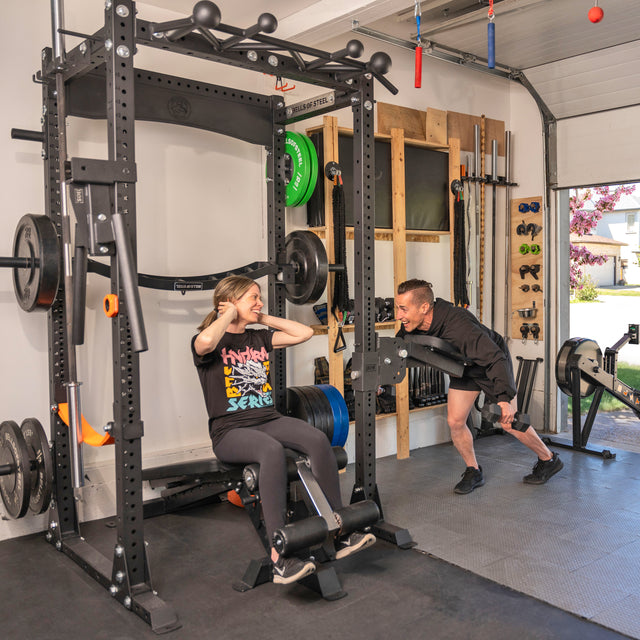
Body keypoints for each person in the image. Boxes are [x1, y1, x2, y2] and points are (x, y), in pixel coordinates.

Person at [192, 275, 375, 584]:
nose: (259, 301)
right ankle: (280, 558)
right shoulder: (209, 340)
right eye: (253, 297)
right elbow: (205, 342)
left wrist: (259, 317)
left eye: (258, 297)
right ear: (231, 301)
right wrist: (227, 315)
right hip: (229, 431)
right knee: (271, 450)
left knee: (317, 440)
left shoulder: (258, 337)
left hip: (268, 419)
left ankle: (341, 531)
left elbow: (303, 333)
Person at [395, 279, 563, 495]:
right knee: (455, 421)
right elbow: (400, 348)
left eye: (403, 309)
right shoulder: (412, 325)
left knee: (509, 422)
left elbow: (494, 358)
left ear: (424, 307)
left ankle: (548, 459)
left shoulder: (459, 325)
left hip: (490, 363)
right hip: (463, 366)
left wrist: (504, 398)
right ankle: (473, 470)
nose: (399, 315)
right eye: (398, 308)